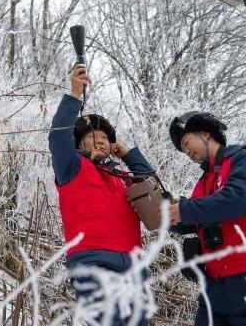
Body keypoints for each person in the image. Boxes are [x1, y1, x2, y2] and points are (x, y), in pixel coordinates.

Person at [49, 64, 154, 326]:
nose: (100, 140)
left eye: (106, 137)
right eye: (92, 136)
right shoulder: (72, 167)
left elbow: (152, 186)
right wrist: (75, 94)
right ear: (79, 144)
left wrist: (128, 154)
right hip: (93, 261)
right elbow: (58, 137)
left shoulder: (122, 178)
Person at [168, 111, 246, 326]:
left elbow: (239, 199)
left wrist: (185, 209)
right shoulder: (204, 181)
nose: (187, 152)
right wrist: (169, 214)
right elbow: (196, 218)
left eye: (186, 143)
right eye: (183, 150)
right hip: (215, 287)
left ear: (205, 134)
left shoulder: (243, 159)